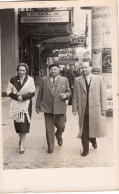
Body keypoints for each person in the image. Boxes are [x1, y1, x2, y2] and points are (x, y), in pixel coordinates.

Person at [72, 61, 107, 156]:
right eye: (82, 68)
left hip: (95, 108)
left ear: (90, 68)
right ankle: (85, 150)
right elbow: (75, 95)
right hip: (83, 110)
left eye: (86, 67)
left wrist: (104, 108)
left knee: (93, 128)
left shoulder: (99, 79)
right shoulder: (77, 80)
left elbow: (103, 94)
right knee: (84, 130)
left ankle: (93, 140)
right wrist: (74, 108)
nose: (84, 69)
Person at [36, 64, 71, 154]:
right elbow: (40, 93)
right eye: (51, 69)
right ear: (49, 70)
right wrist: (37, 105)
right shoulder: (44, 80)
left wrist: (66, 95)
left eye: (55, 69)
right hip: (47, 106)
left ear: (59, 70)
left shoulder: (65, 80)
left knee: (62, 125)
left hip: (60, 105)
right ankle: (50, 146)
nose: (53, 71)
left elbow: (69, 91)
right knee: (49, 128)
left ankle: (58, 134)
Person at [6, 63, 35, 154]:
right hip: (16, 105)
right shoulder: (13, 79)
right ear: (17, 70)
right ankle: (20, 138)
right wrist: (16, 97)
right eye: (20, 70)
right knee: (18, 125)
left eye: (23, 70)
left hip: (26, 105)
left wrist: (23, 97)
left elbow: (32, 92)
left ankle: (22, 145)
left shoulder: (30, 80)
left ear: (26, 71)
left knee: (24, 125)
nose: (22, 72)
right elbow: (8, 91)